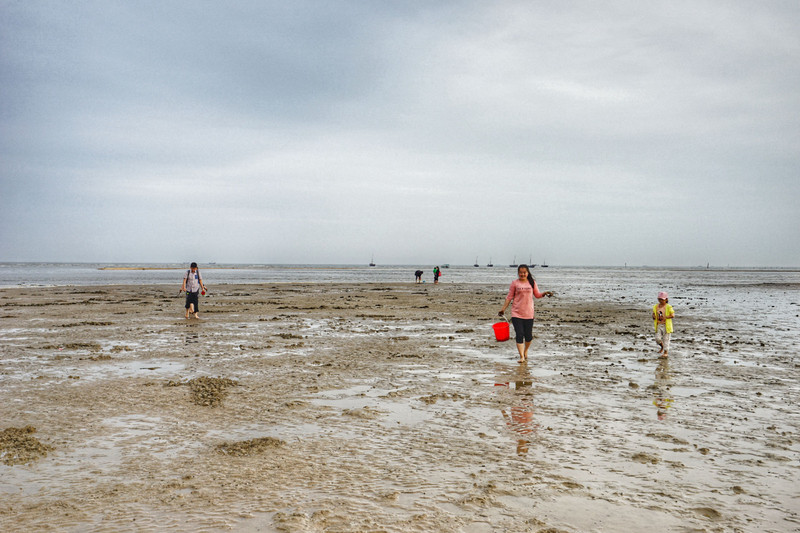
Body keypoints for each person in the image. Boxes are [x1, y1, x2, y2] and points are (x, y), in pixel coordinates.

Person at [498, 264, 553, 362]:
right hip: (516, 313)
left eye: (524, 272)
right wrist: (503, 309)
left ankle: (525, 351)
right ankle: (521, 357)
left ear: (527, 273)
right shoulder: (515, 283)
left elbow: (537, 295)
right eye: (520, 273)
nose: (522, 274)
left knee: (528, 336)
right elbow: (509, 298)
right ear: (518, 273)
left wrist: (544, 293)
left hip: (529, 313)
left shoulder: (532, 283)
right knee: (519, 334)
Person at [652, 291, 675, 357]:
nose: (661, 301)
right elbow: (654, 314)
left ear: (666, 299)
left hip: (666, 326)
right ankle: (662, 346)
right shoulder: (656, 306)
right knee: (657, 339)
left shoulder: (668, 307)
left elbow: (673, 315)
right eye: (659, 299)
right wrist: (653, 316)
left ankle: (665, 352)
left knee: (666, 339)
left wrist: (666, 317)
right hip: (659, 325)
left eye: (662, 299)